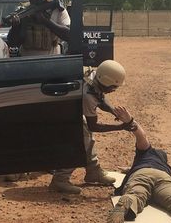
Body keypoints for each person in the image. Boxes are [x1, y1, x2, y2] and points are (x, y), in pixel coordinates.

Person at [49, 59, 130, 194]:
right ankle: (60, 179)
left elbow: (100, 97)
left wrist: (113, 111)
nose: (114, 90)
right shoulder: (87, 94)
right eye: (113, 87)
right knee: (80, 141)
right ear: (104, 81)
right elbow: (94, 126)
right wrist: (120, 127)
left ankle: (93, 171)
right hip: (59, 113)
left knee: (87, 137)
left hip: (66, 107)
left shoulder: (92, 76)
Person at [6, 0, 70, 56]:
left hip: (52, 61)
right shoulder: (23, 11)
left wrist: (45, 21)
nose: (32, 1)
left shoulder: (58, 11)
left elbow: (69, 36)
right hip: (26, 61)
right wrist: (15, 27)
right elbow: (13, 43)